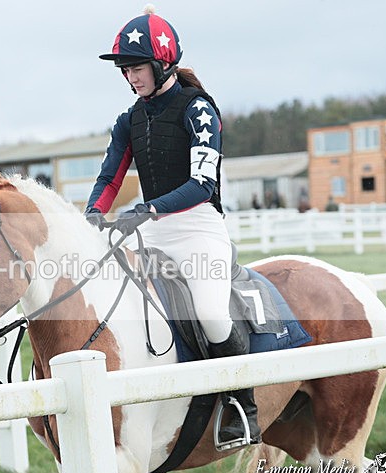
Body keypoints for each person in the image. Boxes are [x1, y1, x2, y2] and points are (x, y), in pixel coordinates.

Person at [83, 7, 260, 445]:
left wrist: (148, 209)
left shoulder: (198, 110)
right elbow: (110, 178)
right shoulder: (129, 120)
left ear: (162, 62)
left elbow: (202, 184)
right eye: (125, 70)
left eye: (136, 67)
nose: (130, 77)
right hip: (152, 229)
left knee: (211, 313)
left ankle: (242, 405)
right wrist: (91, 215)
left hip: (198, 229)